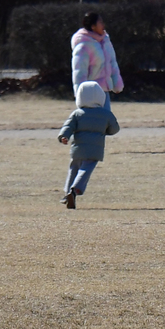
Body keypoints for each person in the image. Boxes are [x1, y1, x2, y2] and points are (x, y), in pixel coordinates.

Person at [57, 80, 121, 209]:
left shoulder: (77, 113)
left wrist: (64, 136)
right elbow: (115, 129)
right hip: (95, 149)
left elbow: (68, 126)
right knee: (86, 169)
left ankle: (67, 192)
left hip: (78, 147)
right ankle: (75, 189)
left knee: (73, 168)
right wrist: (104, 131)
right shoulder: (106, 114)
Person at [71, 12, 124, 107]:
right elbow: (79, 72)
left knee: (106, 115)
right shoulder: (84, 45)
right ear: (93, 26)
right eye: (100, 22)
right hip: (90, 93)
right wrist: (80, 95)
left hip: (105, 92)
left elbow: (112, 63)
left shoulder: (105, 41)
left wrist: (117, 83)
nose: (103, 25)